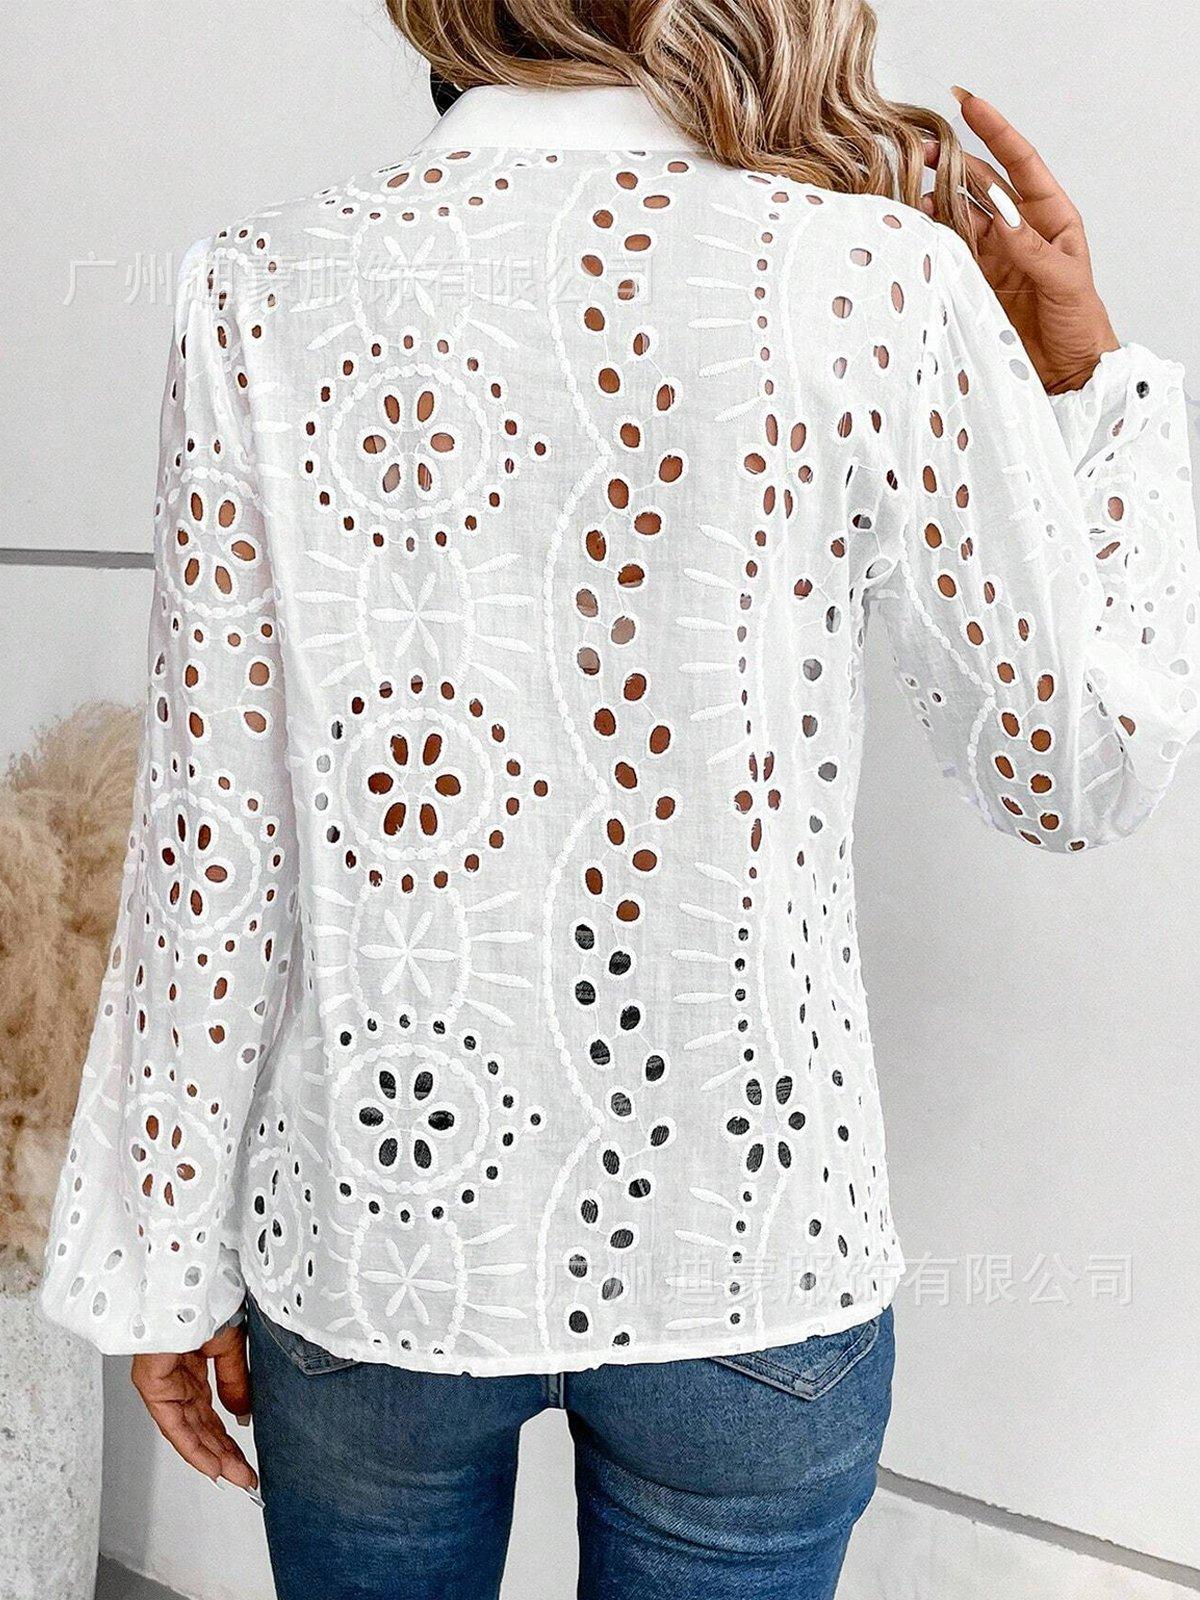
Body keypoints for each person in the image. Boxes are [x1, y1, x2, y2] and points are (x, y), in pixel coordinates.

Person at [41, 2, 1198, 1596]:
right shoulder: (875, 275)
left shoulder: (261, 284)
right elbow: (1071, 767)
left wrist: (166, 1260)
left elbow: (216, 840)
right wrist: (1087, 386)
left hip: (379, 1231)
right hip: (753, 1244)